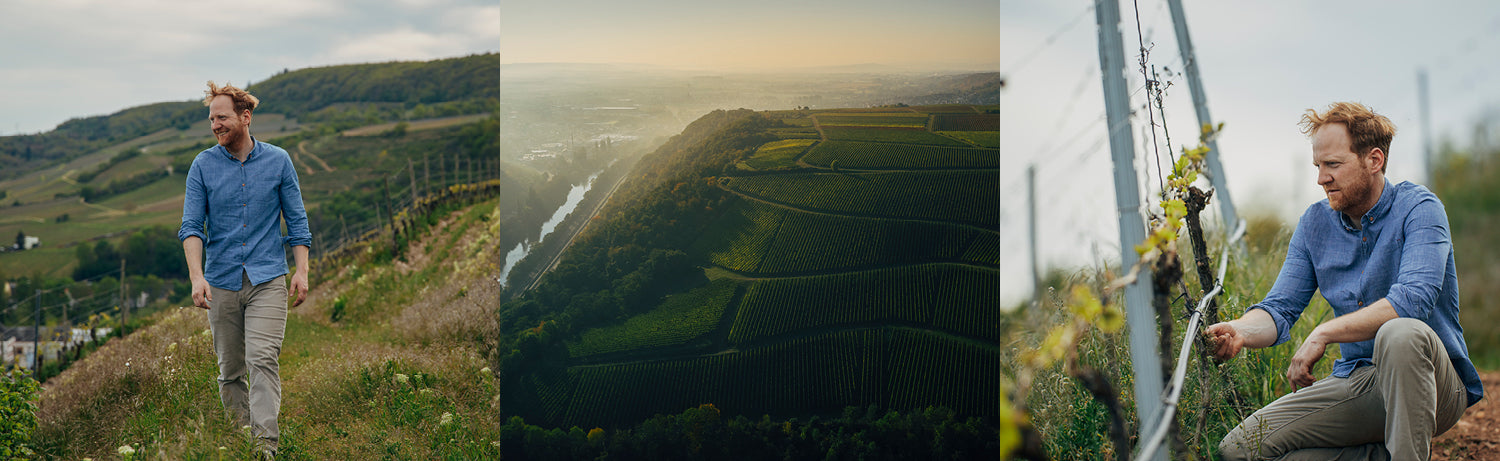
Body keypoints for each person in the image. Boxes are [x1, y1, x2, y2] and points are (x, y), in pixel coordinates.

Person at [1208, 102, 1482, 460]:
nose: (1321, 178)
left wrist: (1324, 332)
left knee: (1399, 333)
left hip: (1432, 384)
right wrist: (1241, 331)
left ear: (1374, 160)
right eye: (1318, 166)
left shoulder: (1421, 209)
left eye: (1333, 165)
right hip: (1359, 381)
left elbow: (1412, 300)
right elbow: (1280, 309)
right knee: (1240, 449)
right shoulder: (1313, 224)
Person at [179, 81, 311, 458]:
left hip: (267, 279)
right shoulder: (202, 166)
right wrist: (196, 276)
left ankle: (264, 446)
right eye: (211, 119)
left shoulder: (279, 161)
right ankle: (240, 439)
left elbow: (297, 221)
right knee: (231, 370)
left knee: (262, 359)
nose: (215, 125)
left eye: (221, 117)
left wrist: (301, 271)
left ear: (245, 117)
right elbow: (191, 227)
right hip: (220, 282)